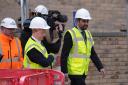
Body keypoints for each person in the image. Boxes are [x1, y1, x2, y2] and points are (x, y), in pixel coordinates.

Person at [60, 8, 105, 85]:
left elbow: (92, 53)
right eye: (84, 21)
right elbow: (64, 55)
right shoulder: (70, 34)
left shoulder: (88, 34)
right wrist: (64, 72)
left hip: (83, 71)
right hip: (74, 72)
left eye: (87, 21)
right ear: (78, 21)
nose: (86, 23)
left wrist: (100, 67)